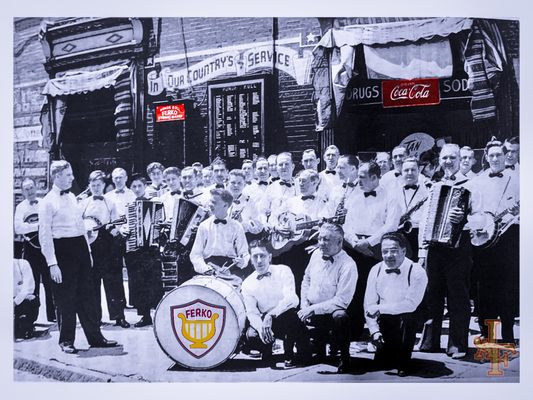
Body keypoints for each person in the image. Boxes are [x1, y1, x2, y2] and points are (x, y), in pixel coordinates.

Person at [39, 160, 118, 353]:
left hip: (80, 249)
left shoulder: (73, 197)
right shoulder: (47, 202)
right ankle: (66, 341)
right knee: (66, 298)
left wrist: (88, 253)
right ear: (57, 176)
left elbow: (80, 226)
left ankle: (95, 337)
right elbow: (44, 234)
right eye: (68, 175)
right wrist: (52, 263)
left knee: (88, 296)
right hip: (62, 250)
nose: (73, 178)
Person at [417, 143, 474, 359]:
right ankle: (430, 341)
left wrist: (464, 218)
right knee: (433, 294)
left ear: (460, 160)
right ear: (439, 160)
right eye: (444, 158)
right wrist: (423, 249)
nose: (448, 162)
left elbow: (480, 217)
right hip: (434, 247)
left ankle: (457, 344)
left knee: (458, 295)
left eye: (452, 158)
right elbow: (425, 219)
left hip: (459, 248)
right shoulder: (433, 186)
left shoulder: (471, 184)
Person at [468, 139, 519, 344]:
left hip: (509, 238)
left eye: (500, 154)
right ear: (486, 158)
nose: (496, 158)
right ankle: (488, 335)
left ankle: (508, 335)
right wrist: (479, 226)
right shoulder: (476, 182)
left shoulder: (517, 179)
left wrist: (519, 212)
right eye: (492, 156)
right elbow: (469, 213)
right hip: (483, 241)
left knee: (507, 287)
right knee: (485, 289)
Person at [343, 161, 401, 340]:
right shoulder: (354, 197)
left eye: (362, 177)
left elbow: (391, 225)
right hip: (354, 248)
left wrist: (368, 243)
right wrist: (354, 242)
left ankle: (380, 333)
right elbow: (347, 224)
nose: (358, 180)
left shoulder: (391, 197)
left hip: (376, 249)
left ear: (375, 177)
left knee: (377, 291)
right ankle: (353, 331)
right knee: (353, 289)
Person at [364, 232, 427, 377]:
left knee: (408, 318)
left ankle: (404, 362)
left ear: (404, 251)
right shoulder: (376, 269)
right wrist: (374, 330)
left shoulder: (417, 271)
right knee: (382, 363)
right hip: (386, 316)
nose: (389, 255)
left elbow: (410, 305)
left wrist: (378, 308)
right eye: (385, 251)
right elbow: (369, 303)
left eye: (394, 250)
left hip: (412, 313)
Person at [241, 240, 311, 368]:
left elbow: (292, 299)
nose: (259, 260)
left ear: (269, 257)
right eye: (255, 256)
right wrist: (261, 328)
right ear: (250, 259)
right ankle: (268, 347)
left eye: (262, 255)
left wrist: (271, 315)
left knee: (304, 356)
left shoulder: (283, 271)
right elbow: (251, 312)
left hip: (286, 317)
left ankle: (292, 351)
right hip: (266, 322)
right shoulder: (247, 283)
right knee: (251, 336)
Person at [299, 223, 357, 373]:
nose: (321, 244)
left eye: (326, 240)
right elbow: (306, 279)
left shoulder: (348, 265)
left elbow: (341, 301)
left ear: (339, 242)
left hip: (331, 313)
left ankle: (344, 357)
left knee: (341, 317)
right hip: (311, 309)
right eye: (319, 239)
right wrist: (304, 304)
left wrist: (312, 309)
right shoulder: (315, 254)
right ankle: (314, 350)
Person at [79, 170, 129, 328]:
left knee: (113, 281)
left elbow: (116, 223)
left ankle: (119, 316)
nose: (96, 188)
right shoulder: (83, 203)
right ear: (89, 185)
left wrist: (113, 229)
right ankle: (95, 318)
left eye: (99, 185)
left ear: (104, 185)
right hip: (89, 245)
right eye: (93, 185)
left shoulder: (110, 202)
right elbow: (77, 222)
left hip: (107, 244)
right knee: (92, 283)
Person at [121, 174, 164, 327]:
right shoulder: (129, 206)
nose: (137, 189)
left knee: (153, 282)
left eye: (140, 186)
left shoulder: (156, 203)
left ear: (145, 186)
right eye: (134, 186)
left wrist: (158, 229)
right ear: (131, 188)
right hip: (134, 249)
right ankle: (144, 316)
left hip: (151, 249)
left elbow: (161, 223)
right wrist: (124, 228)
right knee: (137, 283)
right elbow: (123, 223)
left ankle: (159, 315)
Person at [14, 178, 55, 322]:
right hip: (30, 248)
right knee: (33, 282)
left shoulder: (44, 203)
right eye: (26, 189)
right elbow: (18, 228)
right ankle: (32, 317)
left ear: (36, 188)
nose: (30, 191)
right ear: (22, 192)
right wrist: (38, 225)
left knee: (50, 282)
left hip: (45, 246)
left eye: (32, 187)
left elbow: (51, 223)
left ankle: (53, 315)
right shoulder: (20, 207)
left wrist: (34, 225)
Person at [190, 188, 250, 287]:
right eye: (210, 201)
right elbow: (195, 255)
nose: (210, 204)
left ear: (225, 205)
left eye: (214, 202)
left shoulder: (237, 226)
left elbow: (244, 254)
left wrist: (242, 262)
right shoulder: (204, 226)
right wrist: (205, 269)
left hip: (230, 269)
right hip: (209, 268)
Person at [394, 157, 430, 259]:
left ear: (419, 171)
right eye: (406, 170)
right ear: (401, 172)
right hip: (400, 233)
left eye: (413, 170)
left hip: (419, 235)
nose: (409, 173)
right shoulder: (394, 191)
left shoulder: (427, 190)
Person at [13, 258, 39, 340]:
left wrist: (14, 302)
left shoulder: (22, 264)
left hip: (20, 302)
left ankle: (26, 326)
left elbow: (29, 288)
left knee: (31, 299)